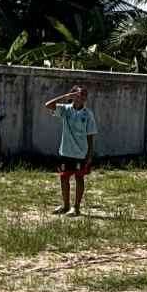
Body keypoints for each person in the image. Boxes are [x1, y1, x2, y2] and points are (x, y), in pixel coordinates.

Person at [43, 84, 98, 214]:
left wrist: (90, 154)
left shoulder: (88, 114)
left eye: (84, 95)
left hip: (80, 153)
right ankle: (65, 205)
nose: (82, 97)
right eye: (79, 94)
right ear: (73, 96)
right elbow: (47, 105)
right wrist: (66, 96)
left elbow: (90, 135)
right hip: (66, 151)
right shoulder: (66, 109)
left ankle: (76, 207)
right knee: (64, 178)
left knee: (79, 178)